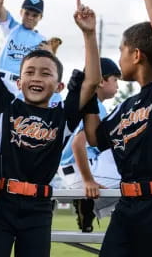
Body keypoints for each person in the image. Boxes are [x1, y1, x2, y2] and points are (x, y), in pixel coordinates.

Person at [0, 0, 100, 256]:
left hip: (39, 208)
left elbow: (92, 81)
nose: (36, 77)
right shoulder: (8, 105)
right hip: (2, 203)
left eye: (46, 73)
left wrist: (89, 35)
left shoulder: (63, 115)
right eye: (30, 72)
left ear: (59, 87)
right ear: (19, 82)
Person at [83, 0, 152, 256]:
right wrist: (88, 37)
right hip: (127, 208)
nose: (118, 59)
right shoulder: (124, 107)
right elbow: (94, 136)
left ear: (136, 54)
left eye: (121, 50)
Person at [58, 57, 121, 232]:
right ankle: (87, 205)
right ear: (101, 81)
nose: (118, 85)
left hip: (74, 169)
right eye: (115, 80)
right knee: (137, 173)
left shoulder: (93, 104)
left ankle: (88, 210)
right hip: (80, 170)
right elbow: (77, 143)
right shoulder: (96, 107)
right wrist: (88, 180)